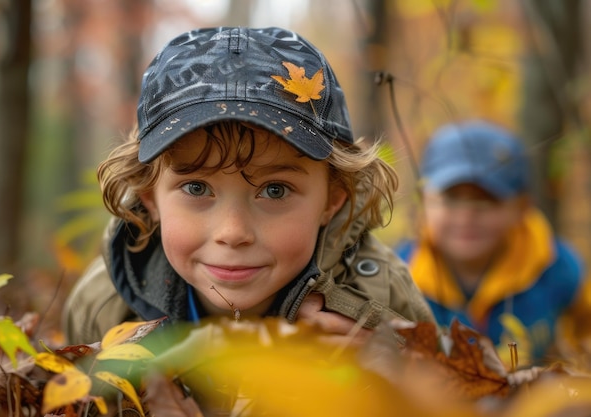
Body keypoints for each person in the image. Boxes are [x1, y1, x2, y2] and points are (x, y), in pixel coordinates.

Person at [62, 26, 435, 346]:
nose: (233, 232)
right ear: (150, 197)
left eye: (275, 190)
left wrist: (389, 371)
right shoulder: (104, 302)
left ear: (333, 199)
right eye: (196, 189)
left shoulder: (380, 299)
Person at [396, 119, 588, 366]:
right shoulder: (398, 276)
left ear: (521, 207)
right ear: (424, 200)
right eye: (451, 198)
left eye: (487, 200)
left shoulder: (557, 266)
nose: (466, 217)